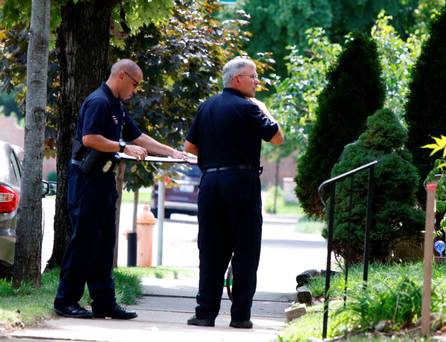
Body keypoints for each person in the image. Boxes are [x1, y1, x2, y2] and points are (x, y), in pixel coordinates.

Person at [54, 59, 186, 319]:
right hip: (86, 181)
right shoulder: (99, 101)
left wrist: (172, 152)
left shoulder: (116, 105)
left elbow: (138, 136)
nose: (135, 90)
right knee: (84, 243)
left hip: (103, 181)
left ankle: (104, 301)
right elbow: (90, 139)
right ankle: (66, 300)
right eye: (134, 84)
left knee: (104, 244)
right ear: (123, 75)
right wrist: (123, 148)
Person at [184, 57, 284, 329]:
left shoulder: (206, 106)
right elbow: (277, 137)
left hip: (210, 183)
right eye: (252, 76)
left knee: (211, 249)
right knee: (246, 250)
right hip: (241, 182)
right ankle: (240, 316)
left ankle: (204, 313)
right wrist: (263, 108)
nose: (256, 81)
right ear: (237, 79)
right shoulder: (250, 107)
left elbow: (190, 148)